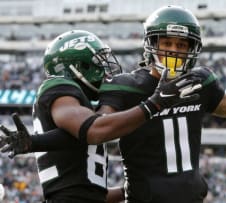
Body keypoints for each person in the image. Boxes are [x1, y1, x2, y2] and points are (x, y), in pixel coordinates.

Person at [2, 6, 226, 203]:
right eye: (167, 43)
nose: (173, 51)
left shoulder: (200, 82)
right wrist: (36, 143)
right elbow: (92, 132)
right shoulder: (125, 86)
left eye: (182, 46)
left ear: (193, 51)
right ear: (150, 43)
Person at [0, 29, 201, 203]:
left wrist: (129, 190)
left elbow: (91, 193)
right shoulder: (59, 87)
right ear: (78, 66)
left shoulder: (81, 106)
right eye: (98, 62)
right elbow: (93, 130)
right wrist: (154, 104)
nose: (106, 70)